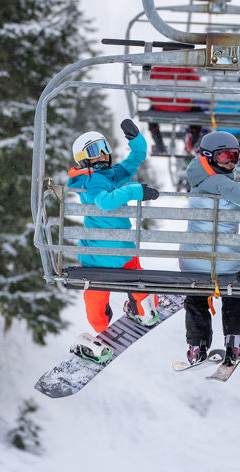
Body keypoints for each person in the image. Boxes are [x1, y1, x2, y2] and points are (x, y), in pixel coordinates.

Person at [67, 119, 165, 361]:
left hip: (105, 259)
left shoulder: (111, 176)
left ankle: (136, 312)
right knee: (103, 301)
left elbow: (135, 158)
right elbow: (105, 201)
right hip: (101, 259)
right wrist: (135, 191)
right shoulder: (91, 181)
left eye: (103, 148)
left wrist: (134, 138)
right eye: (93, 151)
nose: (101, 155)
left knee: (100, 300)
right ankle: (137, 311)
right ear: (83, 158)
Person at [178, 132, 240, 366]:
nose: (230, 162)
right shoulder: (220, 182)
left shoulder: (203, 177)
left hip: (192, 262)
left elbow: (239, 188)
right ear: (209, 156)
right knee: (238, 290)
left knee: (196, 297)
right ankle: (235, 339)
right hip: (226, 263)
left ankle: (197, 346)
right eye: (224, 156)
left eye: (235, 157)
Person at [146, 65, 203, 155]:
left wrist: (156, 98)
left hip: (160, 107)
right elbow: (198, 86)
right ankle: (192, 140)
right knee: (199, 113)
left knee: (150, 116)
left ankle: (159, 143)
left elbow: (145, 91)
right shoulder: (187, 69)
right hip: (183, 107)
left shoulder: (155, 70)